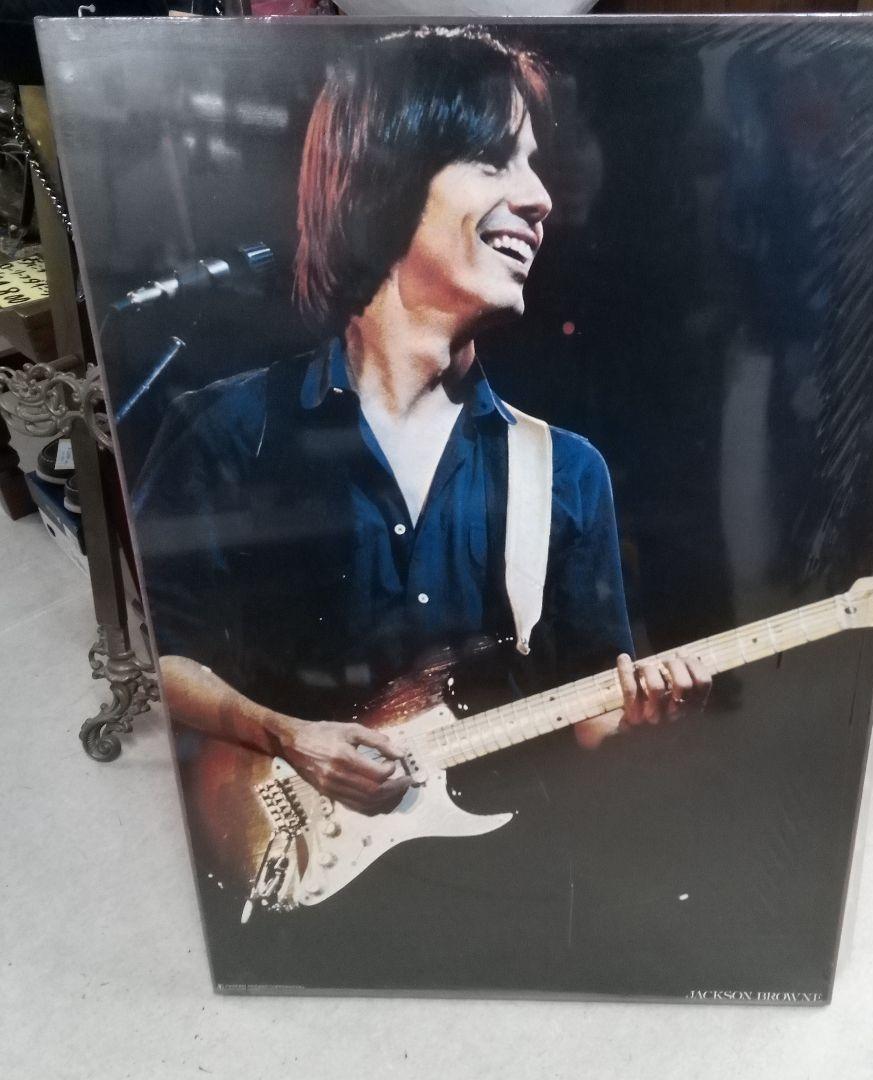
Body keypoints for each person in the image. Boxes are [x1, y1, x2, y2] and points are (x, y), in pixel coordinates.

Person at [134, 26, 710, 825]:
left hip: (497, 850)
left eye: (534, 162)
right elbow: (156, 655)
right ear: (385, 179)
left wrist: (643, 715)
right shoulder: (226, 431)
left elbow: (587, 717)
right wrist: (282, 733)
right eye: (495, 160)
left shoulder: (568, 472)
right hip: (281, 857)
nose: (541, 197)